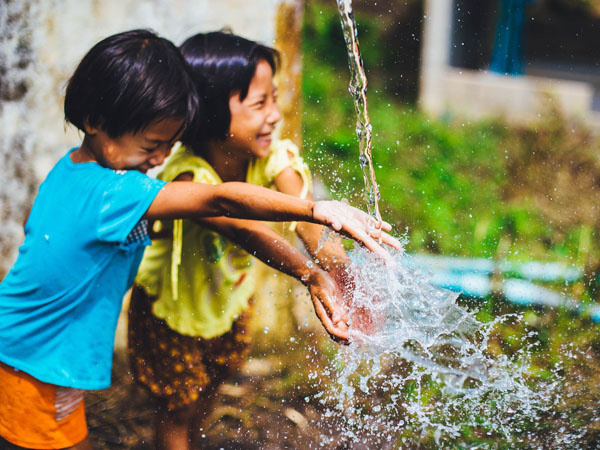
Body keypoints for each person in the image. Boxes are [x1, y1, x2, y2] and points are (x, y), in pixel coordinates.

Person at [0, 29, 399, 450]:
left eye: (168, 145)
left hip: (34, 350)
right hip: (32, 357)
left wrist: (327, 267)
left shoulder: (72, 172)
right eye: (152, 146)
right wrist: (315, 210)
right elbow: (221, 200)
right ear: (95, 121)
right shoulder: (115, 191)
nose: (159, 160)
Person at [127, 30, 383, 450]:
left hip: (229, 299)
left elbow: (307, 218)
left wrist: (339, 269)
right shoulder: (187, 176)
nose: (275, 115)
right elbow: (244, 229)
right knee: (177, 407)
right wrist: (308, 274)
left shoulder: (272, 156)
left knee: (213, 381)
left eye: (275, 99)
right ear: (210, 111)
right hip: (171, 309)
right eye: (260, 103)